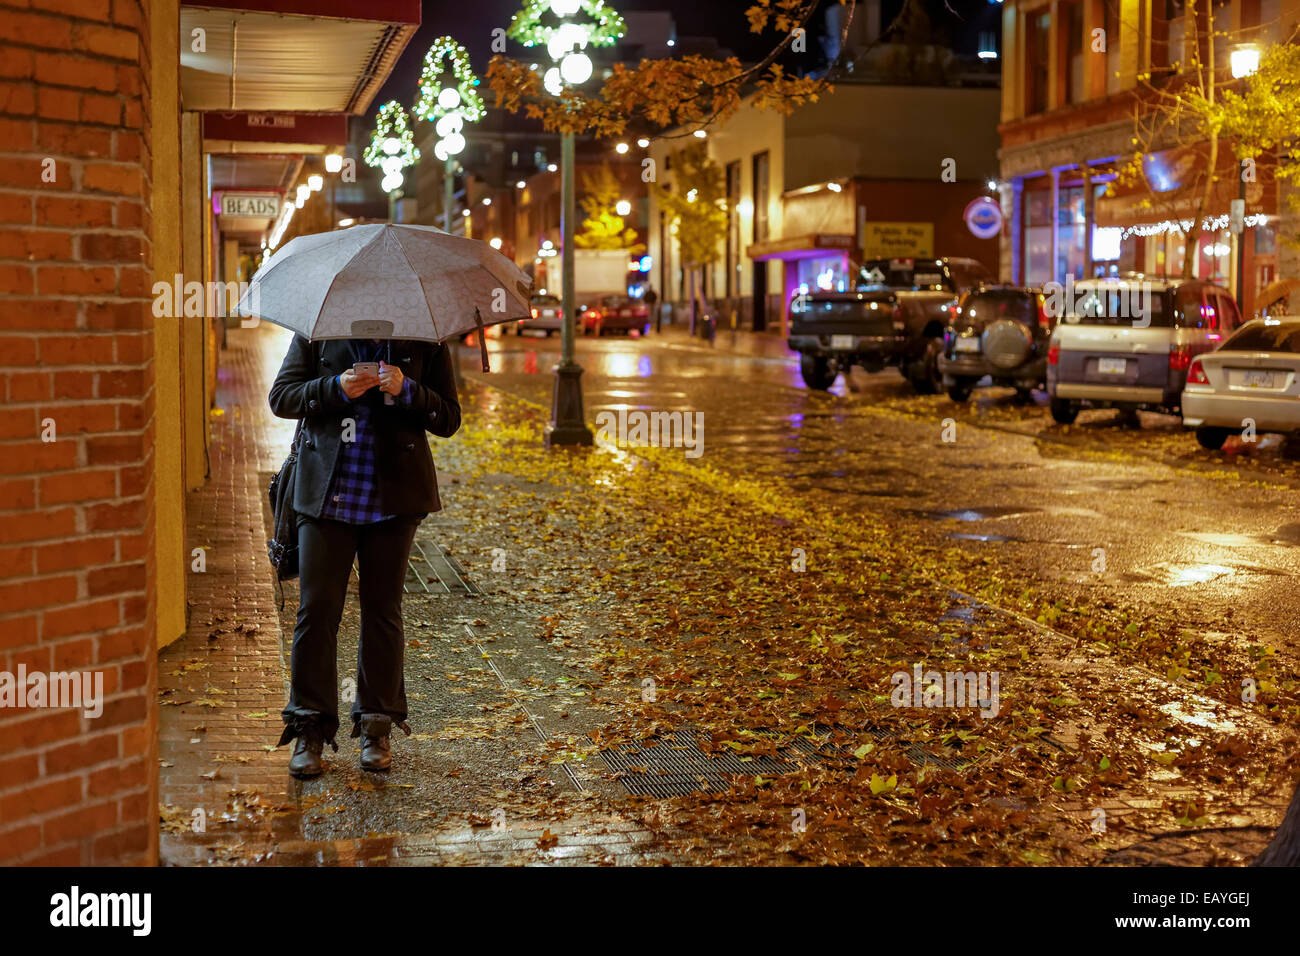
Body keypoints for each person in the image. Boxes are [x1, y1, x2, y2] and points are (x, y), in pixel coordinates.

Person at [268, 335, 460, 778]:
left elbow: (449, 417)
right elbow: (281, 397)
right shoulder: (319, 331)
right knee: (316, 611)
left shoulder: (423, 338)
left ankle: (376, 725)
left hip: (393, 503)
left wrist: (406, 389)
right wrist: (336, 387)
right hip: (324, 498)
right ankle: (309, 728)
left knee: (382, 612)